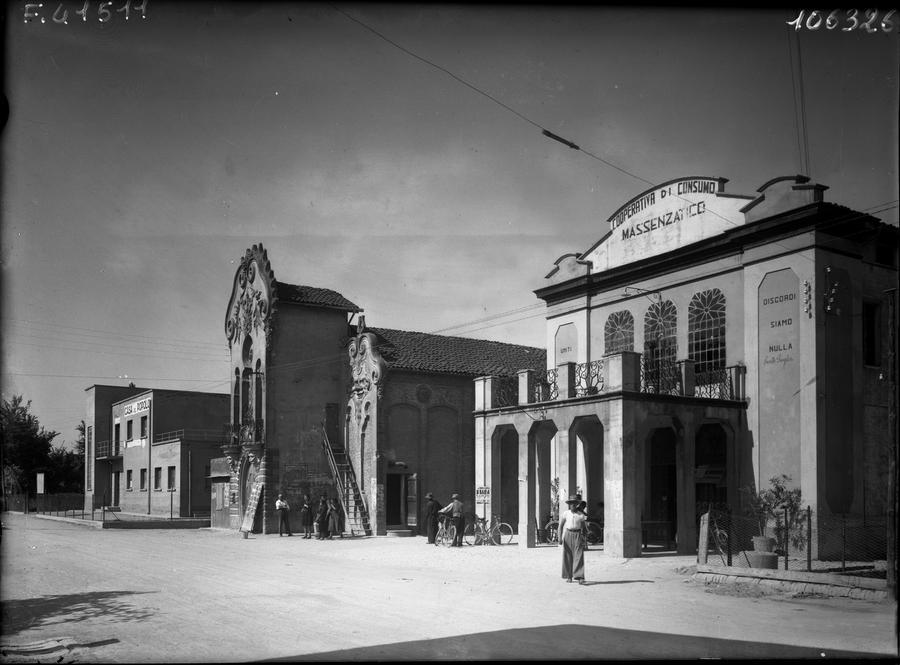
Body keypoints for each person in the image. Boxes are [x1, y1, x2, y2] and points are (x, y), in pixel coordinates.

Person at [558, 494, 587, 584]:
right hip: (568, 535)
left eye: (575, 503)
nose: (573, 505)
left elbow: (584, 528)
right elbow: (560, 526)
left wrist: (584, 539)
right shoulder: (566, 514)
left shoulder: (581, 515)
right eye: (571, 503)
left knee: (579, 556)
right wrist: (559, 538)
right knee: (567, 556)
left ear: (577, 504)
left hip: (578, 535)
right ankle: (569, 576)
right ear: (569, 504)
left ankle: (580, 577)